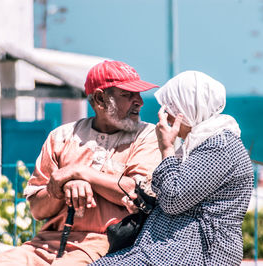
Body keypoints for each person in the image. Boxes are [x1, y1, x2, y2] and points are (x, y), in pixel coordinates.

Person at [0, 60, 161, 265]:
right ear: (100, 99)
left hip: (107, 245)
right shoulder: (61, 137)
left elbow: (136, 193)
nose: (139, 101)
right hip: (46, 243)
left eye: (138, 94)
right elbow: (38, 210)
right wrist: (64, 186)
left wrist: (80, 172)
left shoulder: (147, 136)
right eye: (127, 94)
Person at [91, 71, 254, 265]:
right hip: (177, 246)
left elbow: (173, 199)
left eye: (171, 108)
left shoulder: (219, 146)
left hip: (199, 250)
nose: (165, 115)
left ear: (189, 107)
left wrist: (167, 148)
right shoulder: (203, 142)